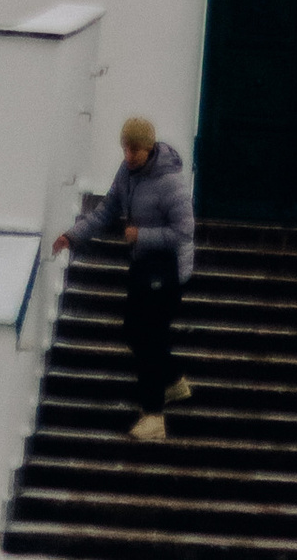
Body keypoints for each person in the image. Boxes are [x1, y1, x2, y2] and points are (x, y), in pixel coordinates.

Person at [71, 114, 196, 442]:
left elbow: (185, 231)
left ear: (150, 147)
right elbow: (106, 209)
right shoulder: (127, 173)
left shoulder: (171, 182)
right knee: (132, 331)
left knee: (149, 338)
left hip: (169, 272)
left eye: (135, 150)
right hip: (144, 269)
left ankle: (154, 418)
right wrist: (73, 236)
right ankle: (172, 381)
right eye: (125, 149)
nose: (129, 156)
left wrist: (142, 234)